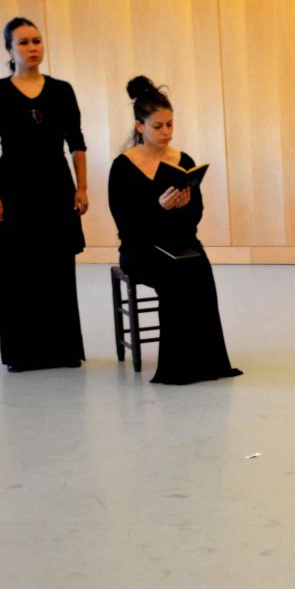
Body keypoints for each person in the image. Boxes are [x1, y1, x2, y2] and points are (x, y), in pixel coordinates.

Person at [107, 76, 242, 385]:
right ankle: (178, 366)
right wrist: (160, 208)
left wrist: (183, 207)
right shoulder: (123, 167)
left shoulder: (183, 161)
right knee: (173, 275)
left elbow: (197, 214)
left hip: (180, 240)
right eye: (158, 126)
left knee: (198, 268)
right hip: (140, 248)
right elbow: (126, 224)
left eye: (170, 125)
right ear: (140, 126)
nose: (166, 132)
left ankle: (207, 361)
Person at [0, 17, 88, 372]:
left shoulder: (62, 90)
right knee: (16, 272)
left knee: (57, 268)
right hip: (14, 188)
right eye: (24, 42)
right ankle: (20, 353)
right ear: (9, 49)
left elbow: (76, 142)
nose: (32, 48)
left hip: (56, 186)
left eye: (37, 41)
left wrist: (82, 187)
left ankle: (64, 349)